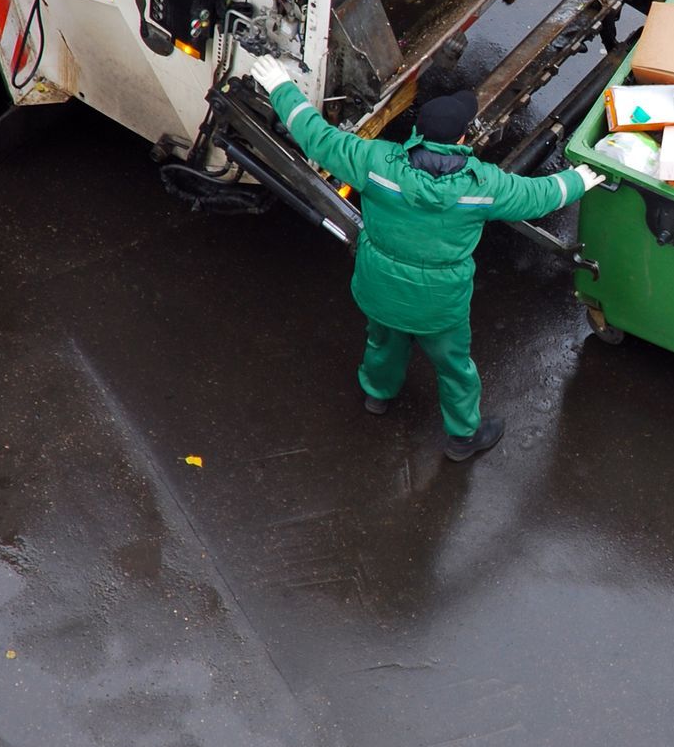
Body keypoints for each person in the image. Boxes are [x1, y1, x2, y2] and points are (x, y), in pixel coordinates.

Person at [250, 57, 603, 461]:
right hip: (440, 306)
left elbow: (316, 137)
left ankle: (377, 395)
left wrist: (281, 87)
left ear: (418, 133)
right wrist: (579, 180)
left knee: (382, 340)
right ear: (461, 139)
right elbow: (539, 196)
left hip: (379, 288)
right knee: (454, 367)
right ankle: (463, 437)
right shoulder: (483, 186)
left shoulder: (375, 163)